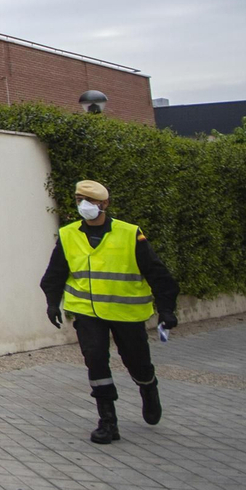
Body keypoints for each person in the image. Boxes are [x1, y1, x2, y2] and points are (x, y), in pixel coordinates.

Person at [39, 179, 180, 444]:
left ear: (105, 204)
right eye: (79, 200)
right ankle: (107, 421)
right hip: (87, 313)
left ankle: (148, 387)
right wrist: (52, 302)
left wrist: (166, 309)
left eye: (90, 201)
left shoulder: (130, 234)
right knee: (95, 360)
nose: (84, 205)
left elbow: (158, 274)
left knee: (137, 362)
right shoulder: (68, 235)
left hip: (126, 313)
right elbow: (55, 273)